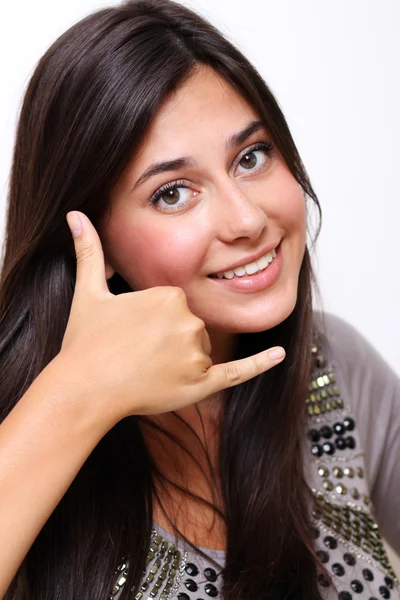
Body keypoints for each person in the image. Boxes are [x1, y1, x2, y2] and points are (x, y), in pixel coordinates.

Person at [0, 0, 399, 598]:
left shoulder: (334, 365)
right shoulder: (18, 419)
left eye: (251, 156)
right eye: (172, 193)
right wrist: (79, 392)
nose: (247, 218)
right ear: (92, 239)